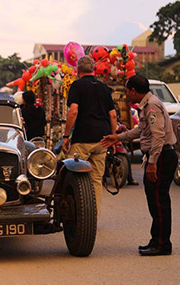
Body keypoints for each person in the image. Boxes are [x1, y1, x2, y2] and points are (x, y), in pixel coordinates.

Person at [101, 75, 177, 256]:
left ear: (134, 91)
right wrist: (118, 137)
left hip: (161, 157)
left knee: (159, 202)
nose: (126, 94)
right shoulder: (146, 105)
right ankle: (156, 240)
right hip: (158, 156)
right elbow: (141, 131)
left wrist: (152, 163)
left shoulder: (151, 106)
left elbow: (158, 136)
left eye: (127, 90)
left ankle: (162, 244)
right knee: (155, 200)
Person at [62, 55, 117, 217]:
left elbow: (73, 111)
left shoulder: (77, 86)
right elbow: (113, 115)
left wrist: (66, 136)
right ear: (93, 69)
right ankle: (93, 218)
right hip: (102, 139)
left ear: (77, 70)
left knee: (72, 175)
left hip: (82, 139)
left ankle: (76, 218)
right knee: (96, 180)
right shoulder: (103, 88)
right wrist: (113, 137)